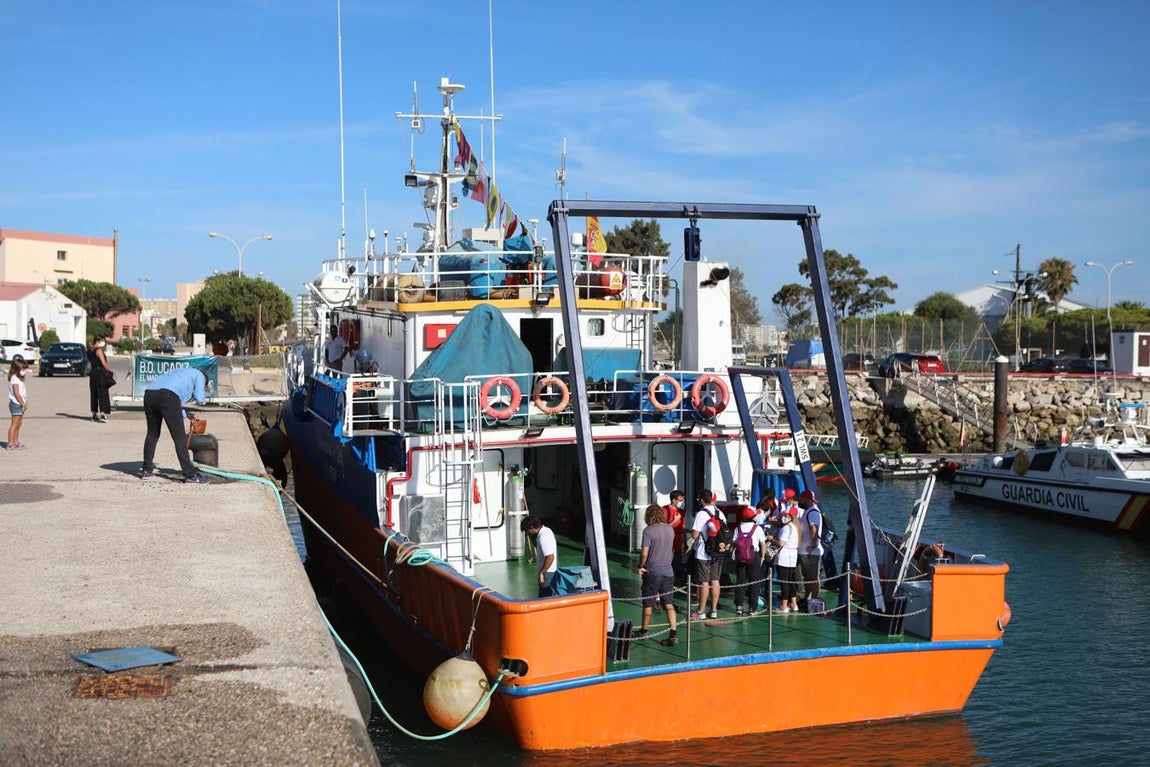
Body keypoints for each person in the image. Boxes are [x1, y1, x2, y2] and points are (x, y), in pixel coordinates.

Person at [138, 366, 211, 484]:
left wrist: (187, 414)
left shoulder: (180, 373)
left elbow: (173, 403)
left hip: (150, 394)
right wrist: (201, 400)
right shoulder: (200, 375)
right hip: (168, 396)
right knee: (179, 438)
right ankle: (190, 474)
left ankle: (146, 469)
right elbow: (199, 398)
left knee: (152, 433)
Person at [636, 504, 680, 646]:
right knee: (669, 603)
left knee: (648, 602)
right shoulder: (670, 529)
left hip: (653, 572)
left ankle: (644, 631)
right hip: (668, 572)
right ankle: (673, 633)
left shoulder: (648, 531)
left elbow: (644, 553)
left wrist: (640, 565)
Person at [688, 488, 725, 619]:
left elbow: (695, 534)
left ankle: (701, 611)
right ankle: (714, 610)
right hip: (718, 552)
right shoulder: (719, 512)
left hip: (703, 552)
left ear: (702, 500)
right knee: (715, 581)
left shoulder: (701, 514)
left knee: (704, 582)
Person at [732, 506, 768, 616]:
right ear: (753, 516)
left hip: (741, 556)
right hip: (754, 556)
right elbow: (763, 544)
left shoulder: (738, 528)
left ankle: (739, 606)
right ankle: (753, 608)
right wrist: (762, 557)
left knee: (740, 581)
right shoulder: (757, 528)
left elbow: (734, 542)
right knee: (754, 582)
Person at [767, 505, 801, 613]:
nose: (783, 517)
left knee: (784, 581)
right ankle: (794, 603)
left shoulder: (786, 528)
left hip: (784, 556)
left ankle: (784, 605)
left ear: (790, 516)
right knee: (791, 580)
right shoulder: (796, 527)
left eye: (785, 515)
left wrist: (771, 539)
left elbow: (781, 543)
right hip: (793, 555)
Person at [796, 489, 824, 610]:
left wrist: (812, 545)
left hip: (810, 552)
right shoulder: (808, 511)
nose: (799, 501)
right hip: (806, 551)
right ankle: (808, 598)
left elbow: (814, 529)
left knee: (812, 577)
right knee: (808, 577)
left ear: (806, 500)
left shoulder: (813, 513)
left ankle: (814, 599)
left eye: (801, 499)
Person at [521, 515, 558, 597]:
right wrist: (537, 559)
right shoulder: (544, 531)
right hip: (548, 570)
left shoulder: (543, 537)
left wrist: (542, 573)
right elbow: (539, 548)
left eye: (526, 531)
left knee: (544, 599)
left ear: (531, 527)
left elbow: (550, 557)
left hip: (548, 573)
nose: (526, 533)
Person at [661, 490, 687, 583]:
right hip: (667, 544)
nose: (682, 502)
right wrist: (675, 520)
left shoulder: (682, 512)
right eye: (680, 500)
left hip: (678, 544)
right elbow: (662, 528)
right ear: (673, 500)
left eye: (683, 500)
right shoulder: (664, 510)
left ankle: (675, 581)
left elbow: (682, 527)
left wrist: (686, 539)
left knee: (677, 565)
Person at [87, 335, 113, 422]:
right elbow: (104, 363)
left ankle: (94, 414)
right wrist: (109, 371)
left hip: (93, 373)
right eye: (102, 341)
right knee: (103, 393)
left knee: (94, 394)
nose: (103, 343)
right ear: (98, 341)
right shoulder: (99, 350)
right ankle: (103, 414)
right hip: (100, 373)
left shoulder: (90, 350)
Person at [7, 358, 29, 450]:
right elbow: (16, 393)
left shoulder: (19, 379)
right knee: (14, 423)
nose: (24, 371)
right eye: (23, 369)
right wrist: (22, 403)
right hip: (15, 404)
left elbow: (23, 392)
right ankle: (10, 443)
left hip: (20, 404)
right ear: (17, 369)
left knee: (19, 423)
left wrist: (26, 402)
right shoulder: (14, 379)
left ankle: (15, 441)